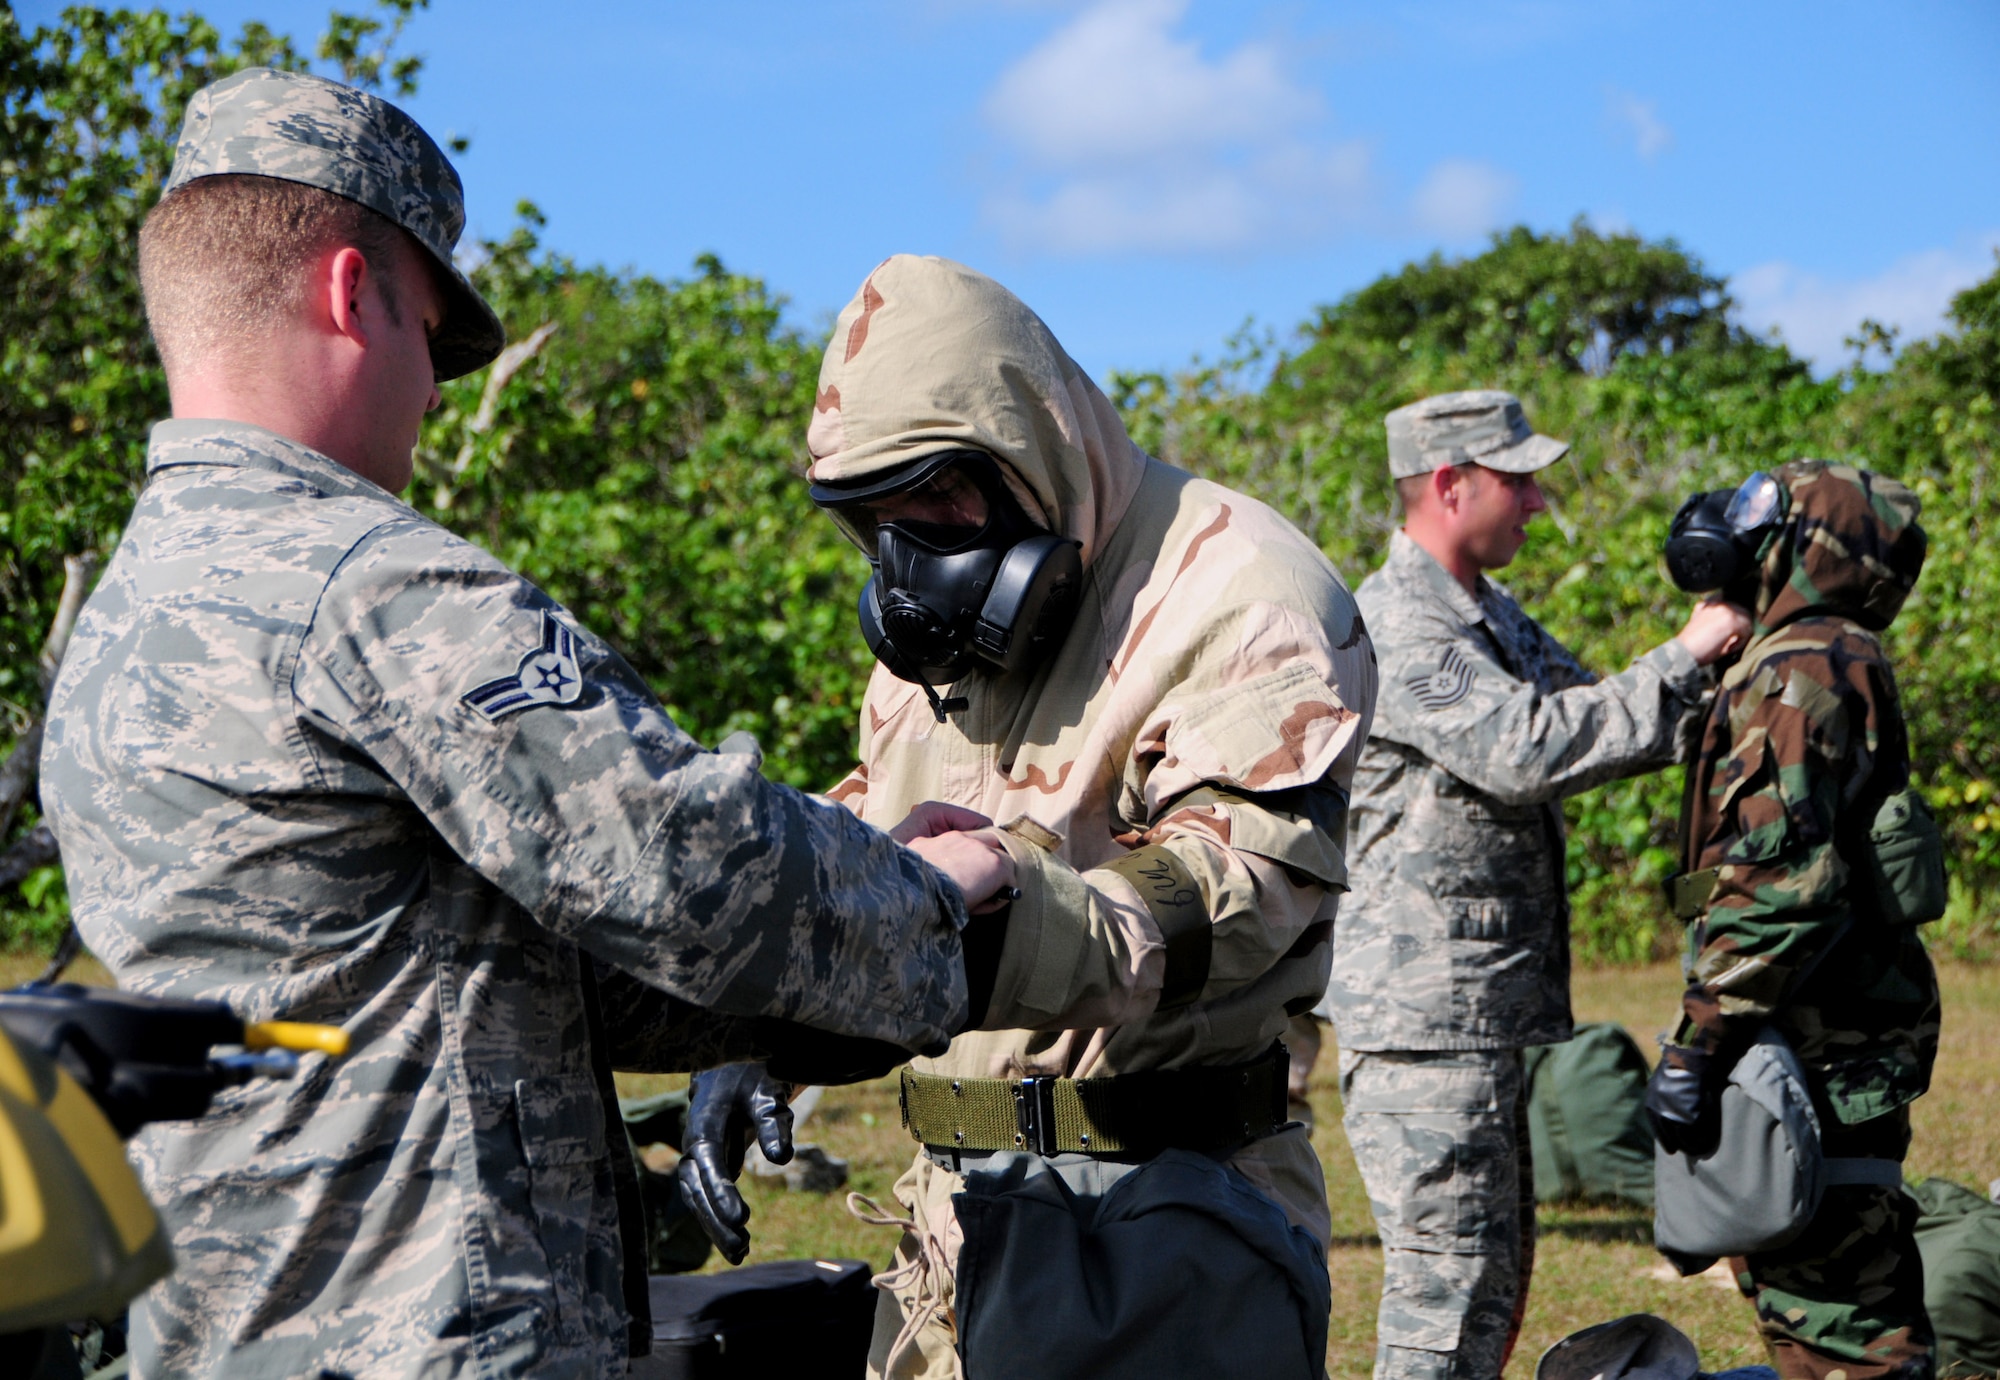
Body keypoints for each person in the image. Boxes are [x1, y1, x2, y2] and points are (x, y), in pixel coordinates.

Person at [37, 69, 1013, 1379]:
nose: (434, 394)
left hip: (225, 1329)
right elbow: (684, 870)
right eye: (432, 336)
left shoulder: (128, 616)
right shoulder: (373, 585)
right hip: (431, 1337)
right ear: (348, 290)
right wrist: (929, 895)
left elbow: (479, 971)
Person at [680, 254, 1376, 1378]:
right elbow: (878, 829)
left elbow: (1238, 893)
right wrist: (766, 1031)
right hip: (951, 1213)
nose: (906, 562)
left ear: (1029, 448)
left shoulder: (1247, 594)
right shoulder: (933, 644)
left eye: (935, 501)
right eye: (871, 521)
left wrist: (995, 911)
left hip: (1163, 1211)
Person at [1321, 390, 1751, 1380]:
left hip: (1472, 1021)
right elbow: (1523, 749)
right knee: (1443, 1297)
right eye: (1516, 480)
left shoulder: (1485, 618)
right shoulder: (1399, 623)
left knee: (1488, 1288)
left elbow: (1602, 714)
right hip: (1423, 1025)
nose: (1538, 500)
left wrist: (1743, 660)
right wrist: (1684, 650)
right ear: (1446, 484)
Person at [1644, 462, 1937, 1380]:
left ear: (1815, 542)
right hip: (1826, 1029)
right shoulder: (1820, 651)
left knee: (1844, 1327)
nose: (1736, 527)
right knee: (1814, 1305)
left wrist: (1697, 1044)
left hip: (1815, 1038)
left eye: (1766, 511)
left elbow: (1779, 882)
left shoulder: (1801, 663)